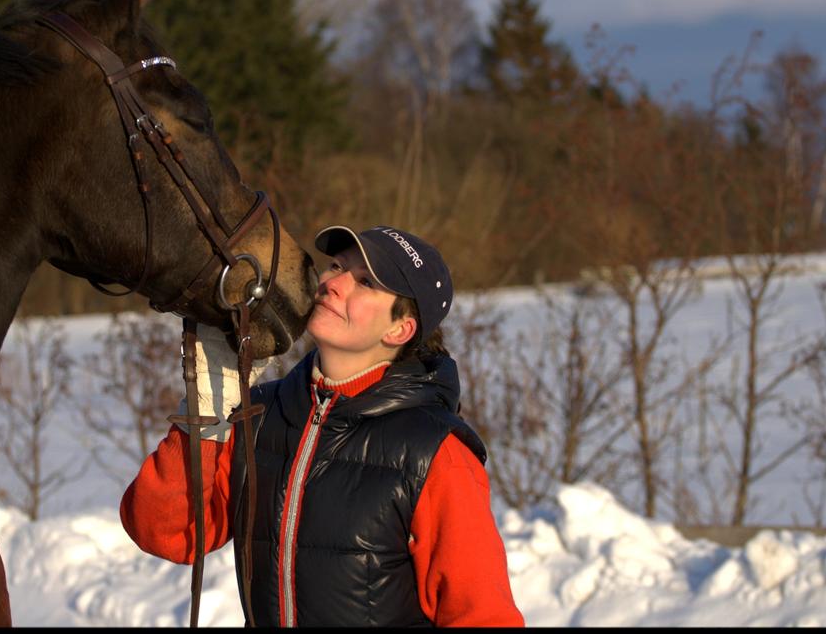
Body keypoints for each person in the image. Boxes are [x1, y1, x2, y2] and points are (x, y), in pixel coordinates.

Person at [120, 225, 524, 627]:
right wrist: (205, 410)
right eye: (337, 266)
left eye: (365, 282)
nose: (333, 283)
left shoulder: (434, 452)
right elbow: (167, 532)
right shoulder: (259, 415)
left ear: (400, 329)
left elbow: (484, 617)